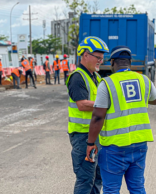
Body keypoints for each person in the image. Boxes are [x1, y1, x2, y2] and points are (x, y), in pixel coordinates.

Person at [86, 45, 156, 194]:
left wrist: (90, 143)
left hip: (114, 147)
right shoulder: (144, 80)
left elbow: (98, 116)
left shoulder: (107, 83)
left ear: (112, 62)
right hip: (139, 144)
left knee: (111, 190)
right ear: (130, 62)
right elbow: (155, 99)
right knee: (137, 188)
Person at [66, 36, 109, 194]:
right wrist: (105, 105)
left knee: (98, 177)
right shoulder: (77, 77)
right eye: (98, 57)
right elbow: (82, 104)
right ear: (85, 55)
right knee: (85, 179)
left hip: (96, 135)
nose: (101, 61)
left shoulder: (96, 77)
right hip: (83, 137)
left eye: (102, 58)